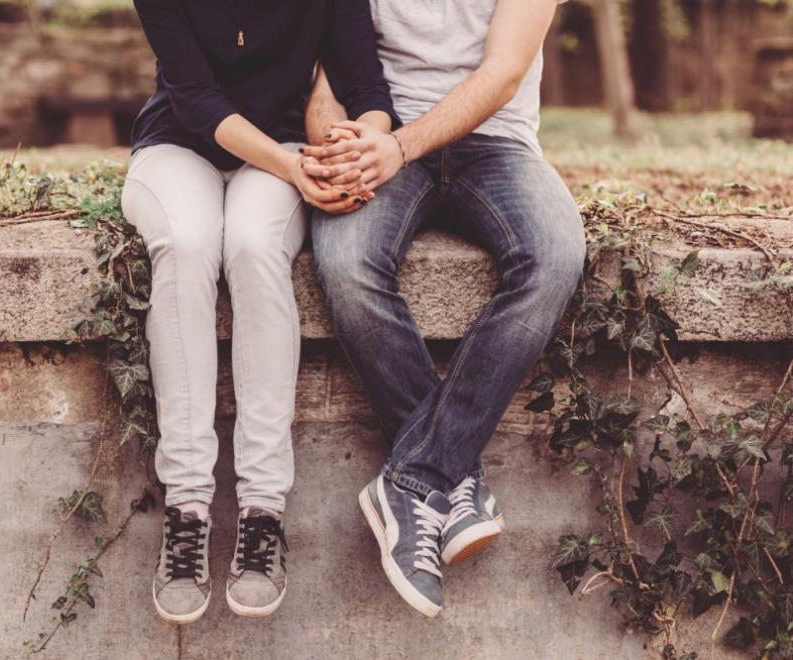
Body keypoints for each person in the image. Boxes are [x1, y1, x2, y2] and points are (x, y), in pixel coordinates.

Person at [301, 0, 585, 617]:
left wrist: (400, 147)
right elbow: (327, 75)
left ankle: (414, 480)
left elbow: (502, 74)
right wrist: (336, 146)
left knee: (555, 256)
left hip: (497, 144)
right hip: (381, 133)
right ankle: (454, 476)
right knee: (348, 265)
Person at [123, 0, 397, 624]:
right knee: (187, 244)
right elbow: (196, 100)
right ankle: (187, 507)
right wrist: (294, 169)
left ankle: (263, 510)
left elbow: (367, 87)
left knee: (253, 246)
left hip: (286, 147)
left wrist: (362, 142)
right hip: (177, 147)